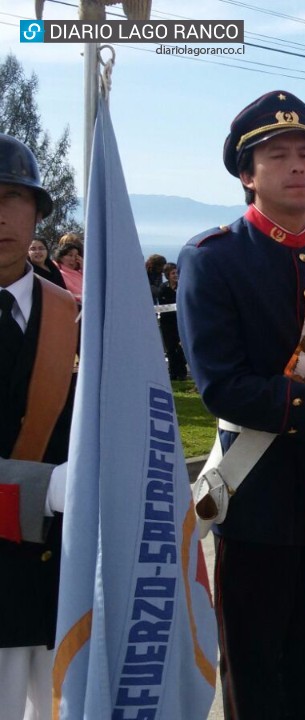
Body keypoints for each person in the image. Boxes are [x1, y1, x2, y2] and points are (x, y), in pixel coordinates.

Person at [177, 90, 305, 720]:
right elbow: (221, 384)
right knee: (253, 662)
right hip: (257, 491)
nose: (297, 164)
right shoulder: (213, 258)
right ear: (248, 176)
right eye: (278, 155)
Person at [0, 133, 78, 720]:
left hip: (62, 584)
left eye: (12, 198)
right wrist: (39, 489)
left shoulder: (73, 316)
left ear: (36, 213)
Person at [157, 263, 186, 381]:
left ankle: (182, 373)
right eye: (173, 273)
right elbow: (163, 305)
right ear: (167, 275)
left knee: (181, 348)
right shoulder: (163, 289)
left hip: (180, 322)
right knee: (170, 348)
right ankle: (172, 373)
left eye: (176, 272)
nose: (175, 275)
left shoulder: (182, 287)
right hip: (167, 323)